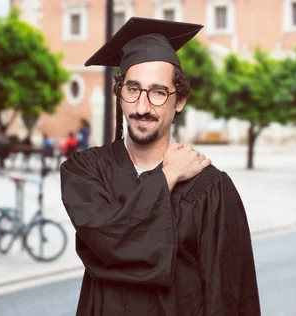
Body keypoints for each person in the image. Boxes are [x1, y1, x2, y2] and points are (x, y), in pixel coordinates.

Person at [60, 17, 260, 315]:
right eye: (133, 89)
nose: (142, 107)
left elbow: (227, 292)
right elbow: (106, 238)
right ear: (120, 94)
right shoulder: (87, 172)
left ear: (179, 100)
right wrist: (167, 175)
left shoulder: (211, 188)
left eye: (158, 92)